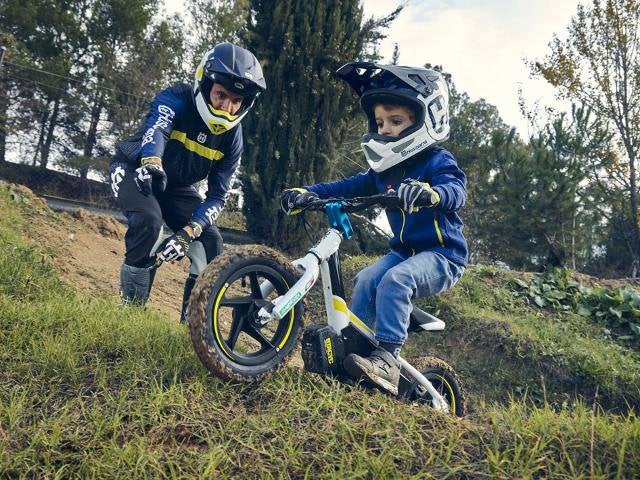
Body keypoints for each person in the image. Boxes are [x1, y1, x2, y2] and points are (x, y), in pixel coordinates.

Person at [280, 62, 467, 395]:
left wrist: (432, 193)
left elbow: (456, 190)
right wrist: (308, 193)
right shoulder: (383, 173)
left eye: (396, 121)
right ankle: (355, 353)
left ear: (424, 120)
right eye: (380, 123)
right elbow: (346, 186)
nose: (385, 129)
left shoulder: (437, 160)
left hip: (443, 255)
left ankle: (388, 359)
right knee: (366, 279)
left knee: (396, 280)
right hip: (404, 252)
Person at [109, 42, 266, 323]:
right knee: (149, 221)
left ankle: (191, 328)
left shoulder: (233, 138)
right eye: (221, 95)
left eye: (236, 101)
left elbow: (217, 196)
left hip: (176, 187)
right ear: (205, 84)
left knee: (211, 241)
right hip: (136, 169)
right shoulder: (176, 98)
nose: (227, 107)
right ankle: (129, 316)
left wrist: (187, 233)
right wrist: (152, 162)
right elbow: (158, 130)